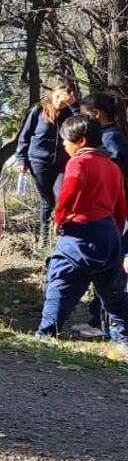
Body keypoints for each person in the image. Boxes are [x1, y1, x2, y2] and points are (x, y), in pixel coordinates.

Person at [35, 114, 128, 358]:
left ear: (81, 141)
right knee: (113, 295)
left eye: (66, 141)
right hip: (109, 235)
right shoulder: (113, 167)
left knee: (60, 284)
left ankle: (46, 334)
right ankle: (125, 339)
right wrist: (115, 233)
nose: (64, 146)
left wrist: (59, 217)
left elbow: (70, 189)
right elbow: (120, 205)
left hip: (80, 235)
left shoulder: (78, 163)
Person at [75, 94, 128, 338]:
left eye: (84, 115)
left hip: (117, 214)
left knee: (111, 269)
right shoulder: (110, 139)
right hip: (113, 213)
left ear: (96, 114)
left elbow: (115, 177)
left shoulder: (111, 140)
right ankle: (100, 321)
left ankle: (107, 325)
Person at [16, 84, 78, 242]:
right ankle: (45, 238)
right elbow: (25, 135)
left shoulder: (71, 113)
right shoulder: (38, 111)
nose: (58, 101)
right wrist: (21, 159)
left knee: (63, 197)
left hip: (62, 163)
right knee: (47, 200)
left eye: (62, 98)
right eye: (56, 97)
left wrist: (73, 105)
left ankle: (64, 234)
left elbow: (82, 125)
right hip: (39, 161)